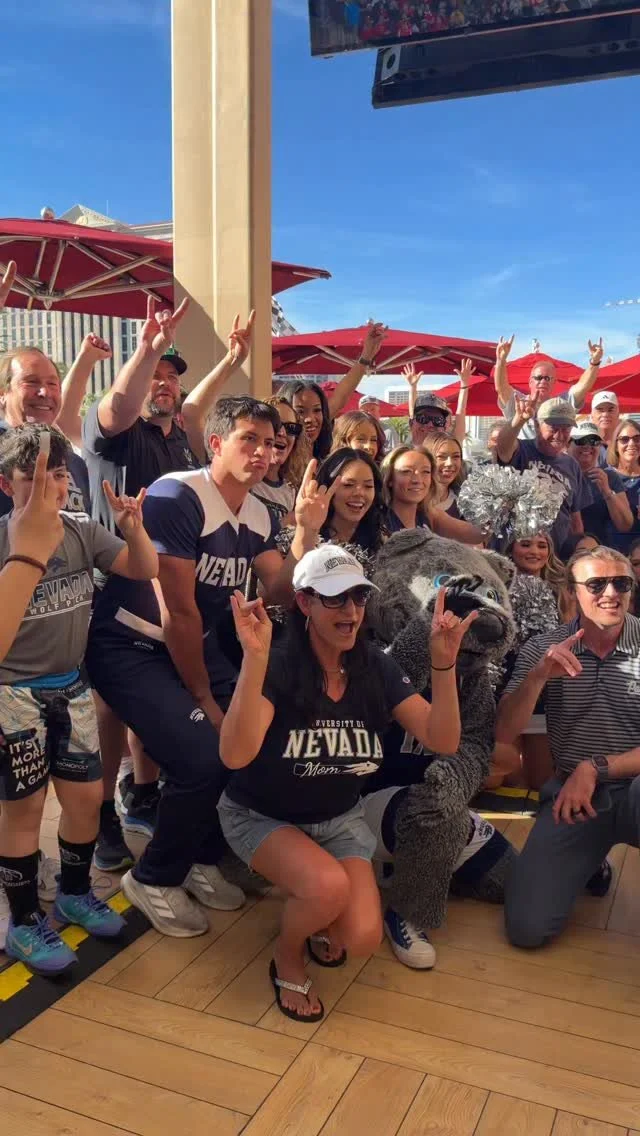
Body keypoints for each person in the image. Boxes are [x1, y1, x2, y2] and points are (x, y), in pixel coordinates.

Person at [86, 398, 333, 938]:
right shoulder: (177, 494)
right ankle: (154, 877)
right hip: (131, 644)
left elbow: (279, 590)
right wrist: (204, 700)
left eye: (271, 443)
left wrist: (306, 534)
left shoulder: (259, 512)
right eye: (249, 439)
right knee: (204, 753)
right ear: (216, 443)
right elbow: (178, 612)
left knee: (255, 739)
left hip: (193, 644)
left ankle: (200, 855)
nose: (264, 452)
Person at [217, 545, 471, 1020]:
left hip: (338, 820)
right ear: (304, 603)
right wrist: (254, 659)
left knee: (361, 938)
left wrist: (443, 663)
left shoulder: (375, 667)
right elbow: (234, 755)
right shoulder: (278, 662)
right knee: (327, 888)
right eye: (335, 598)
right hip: (261, 815)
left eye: (358, 596)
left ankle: (314, 908)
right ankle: (287, 954)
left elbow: (443, 739)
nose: (351, 611)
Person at [0, 424, 158, 975]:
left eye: (60, 475)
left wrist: (134, 529)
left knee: (87, 799)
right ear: (7, 485)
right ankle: (23, 919)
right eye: (35, 478)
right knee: (23, 811)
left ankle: (72, 891)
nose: (53, 487)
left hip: (71, 687)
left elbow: (144, 568)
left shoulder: (81, 528)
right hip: (13, 695)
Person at [498, 546, 640, 949]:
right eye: (596, 584)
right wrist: (538, 677)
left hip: (633, 785)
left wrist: (595, 767)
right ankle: (589, 861)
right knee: (527, 928)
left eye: (621, 583)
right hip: (574, 798)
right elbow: (505, 732)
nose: (611, 593)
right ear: (571, 591)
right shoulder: (545, 647)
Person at [496, 396, 590, 559]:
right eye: (553, 428)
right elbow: (503, 446)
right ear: (537, 425)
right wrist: (518, 420)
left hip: (554, 560)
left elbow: (575, 519)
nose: (559, 435)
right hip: (512, 556)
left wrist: (576, 554)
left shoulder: (572, 465)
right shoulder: (521, 450)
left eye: (566, 429)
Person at [278, 322, 387, 460]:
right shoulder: (275, 459)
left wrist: (367, 355)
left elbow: (341, 397)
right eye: (300, 411)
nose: (310, 419)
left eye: (317, 410)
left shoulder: (323, 458)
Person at [494, 334, 604, 440]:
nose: (543, 381)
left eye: (547, 378)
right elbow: (501, 388)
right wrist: (501, 360)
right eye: (538, 378)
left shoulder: (561, 404)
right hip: (522, 452)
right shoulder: (519, 402)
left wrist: (594, 362)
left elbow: (583, 387)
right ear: (530, 381)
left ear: (554, 382)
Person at [381, 445, 484, 544]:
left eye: (426, 472)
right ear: (389, 479)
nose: (417, 480)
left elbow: (476, 534)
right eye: (406, 471)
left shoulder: (429, 515)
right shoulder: (379, 522)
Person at [569, 420, 632, 544]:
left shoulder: (609, 476)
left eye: (594, 441)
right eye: (581, 440)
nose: (587, 446)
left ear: (600, 446)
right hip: (564, 550)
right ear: (567, 444)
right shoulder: (558, 474)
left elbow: (625, 525)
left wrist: (607, 492)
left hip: (600, 550)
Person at [251, 396, 310, 523]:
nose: (282, 433)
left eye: (290, 428)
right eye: (276, 425)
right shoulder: (244, 480)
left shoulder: (291, 491)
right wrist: (286, 522)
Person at [605, 418, 640, 554]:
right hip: (612, 551)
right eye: (624, 439)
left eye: (637, 438)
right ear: (615, 445)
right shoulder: (605, 476)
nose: (631, 444)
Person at [423, 433, 466, 518]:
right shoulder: (414, 501)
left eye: (456, 456)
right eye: (441, 457)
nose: (449, 463)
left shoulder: (462, 502)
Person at [590, 390, 620, 461]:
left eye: (610, 410)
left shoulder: (628, 443)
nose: (605, 414)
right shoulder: (583, 444)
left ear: (618, 414)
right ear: (592, 415)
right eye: (600, 410)